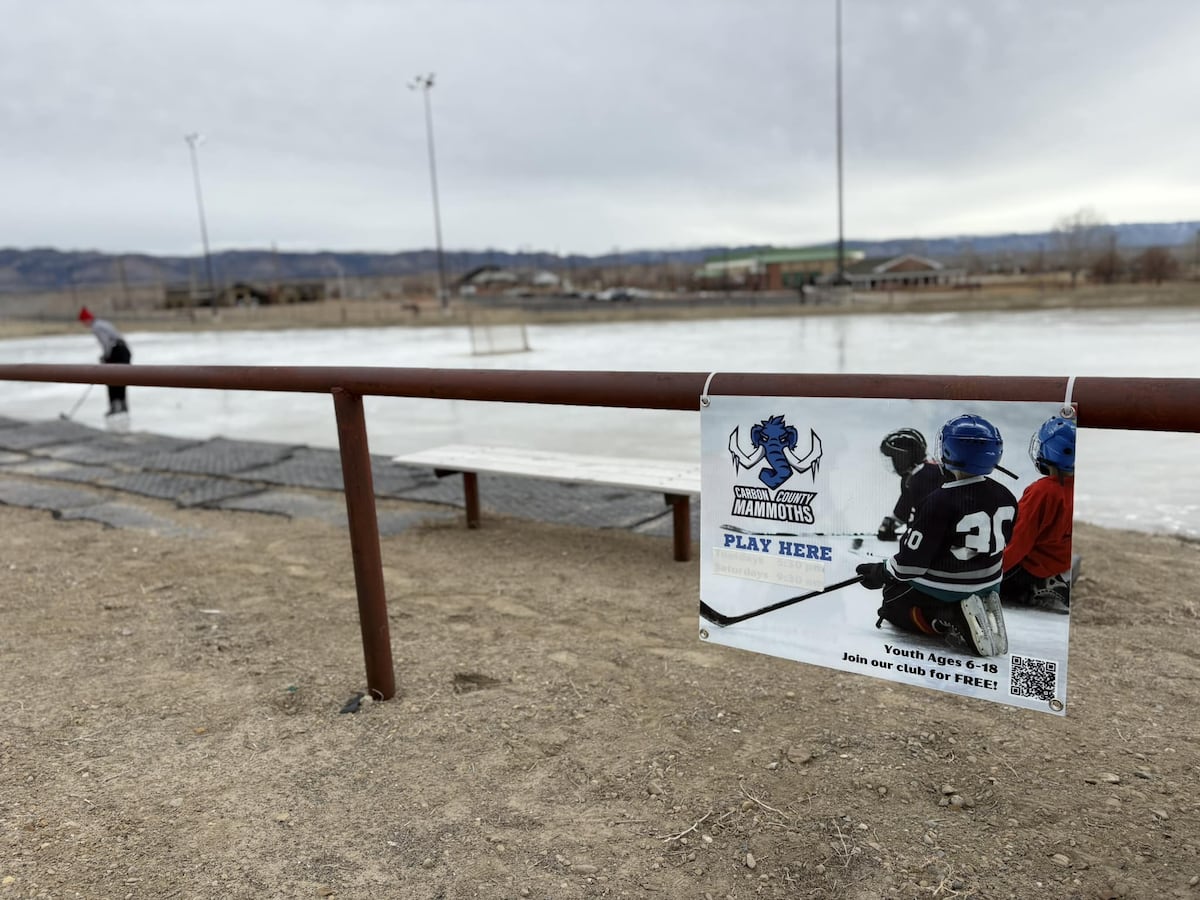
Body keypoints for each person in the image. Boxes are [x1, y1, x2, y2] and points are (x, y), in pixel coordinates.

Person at [856, 414, 1018, 658]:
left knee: (892, 602)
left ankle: (946, 617)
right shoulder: (1007, 495)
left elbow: (909, 565)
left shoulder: (939, 501)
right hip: (991, 581)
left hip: (948, 586)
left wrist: (881, 571)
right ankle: (974, 601)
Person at [1000, 415, 1076, 612]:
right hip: (1058, 562)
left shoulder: (1042, 491)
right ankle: (1055, 579)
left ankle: (1039, 587)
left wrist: (992, 573)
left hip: (1030, 569)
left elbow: (1019, 539)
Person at [876, 428, 944, 541]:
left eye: (892, 458)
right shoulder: (914, 475)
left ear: (902, 458)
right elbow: (906, 506)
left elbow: (923, 524)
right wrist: (893, 522)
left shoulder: (924, 477)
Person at [79, 307, 132, 419]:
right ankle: (122, 406)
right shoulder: (102, 323)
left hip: (116, 352)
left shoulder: (96, 327)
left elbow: (106, 342)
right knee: (122, 379)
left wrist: (106, 356)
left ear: (87, 320)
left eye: (83, 322)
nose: (84, 325)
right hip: (123, 351)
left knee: (111, 379)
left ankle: (115, 407)